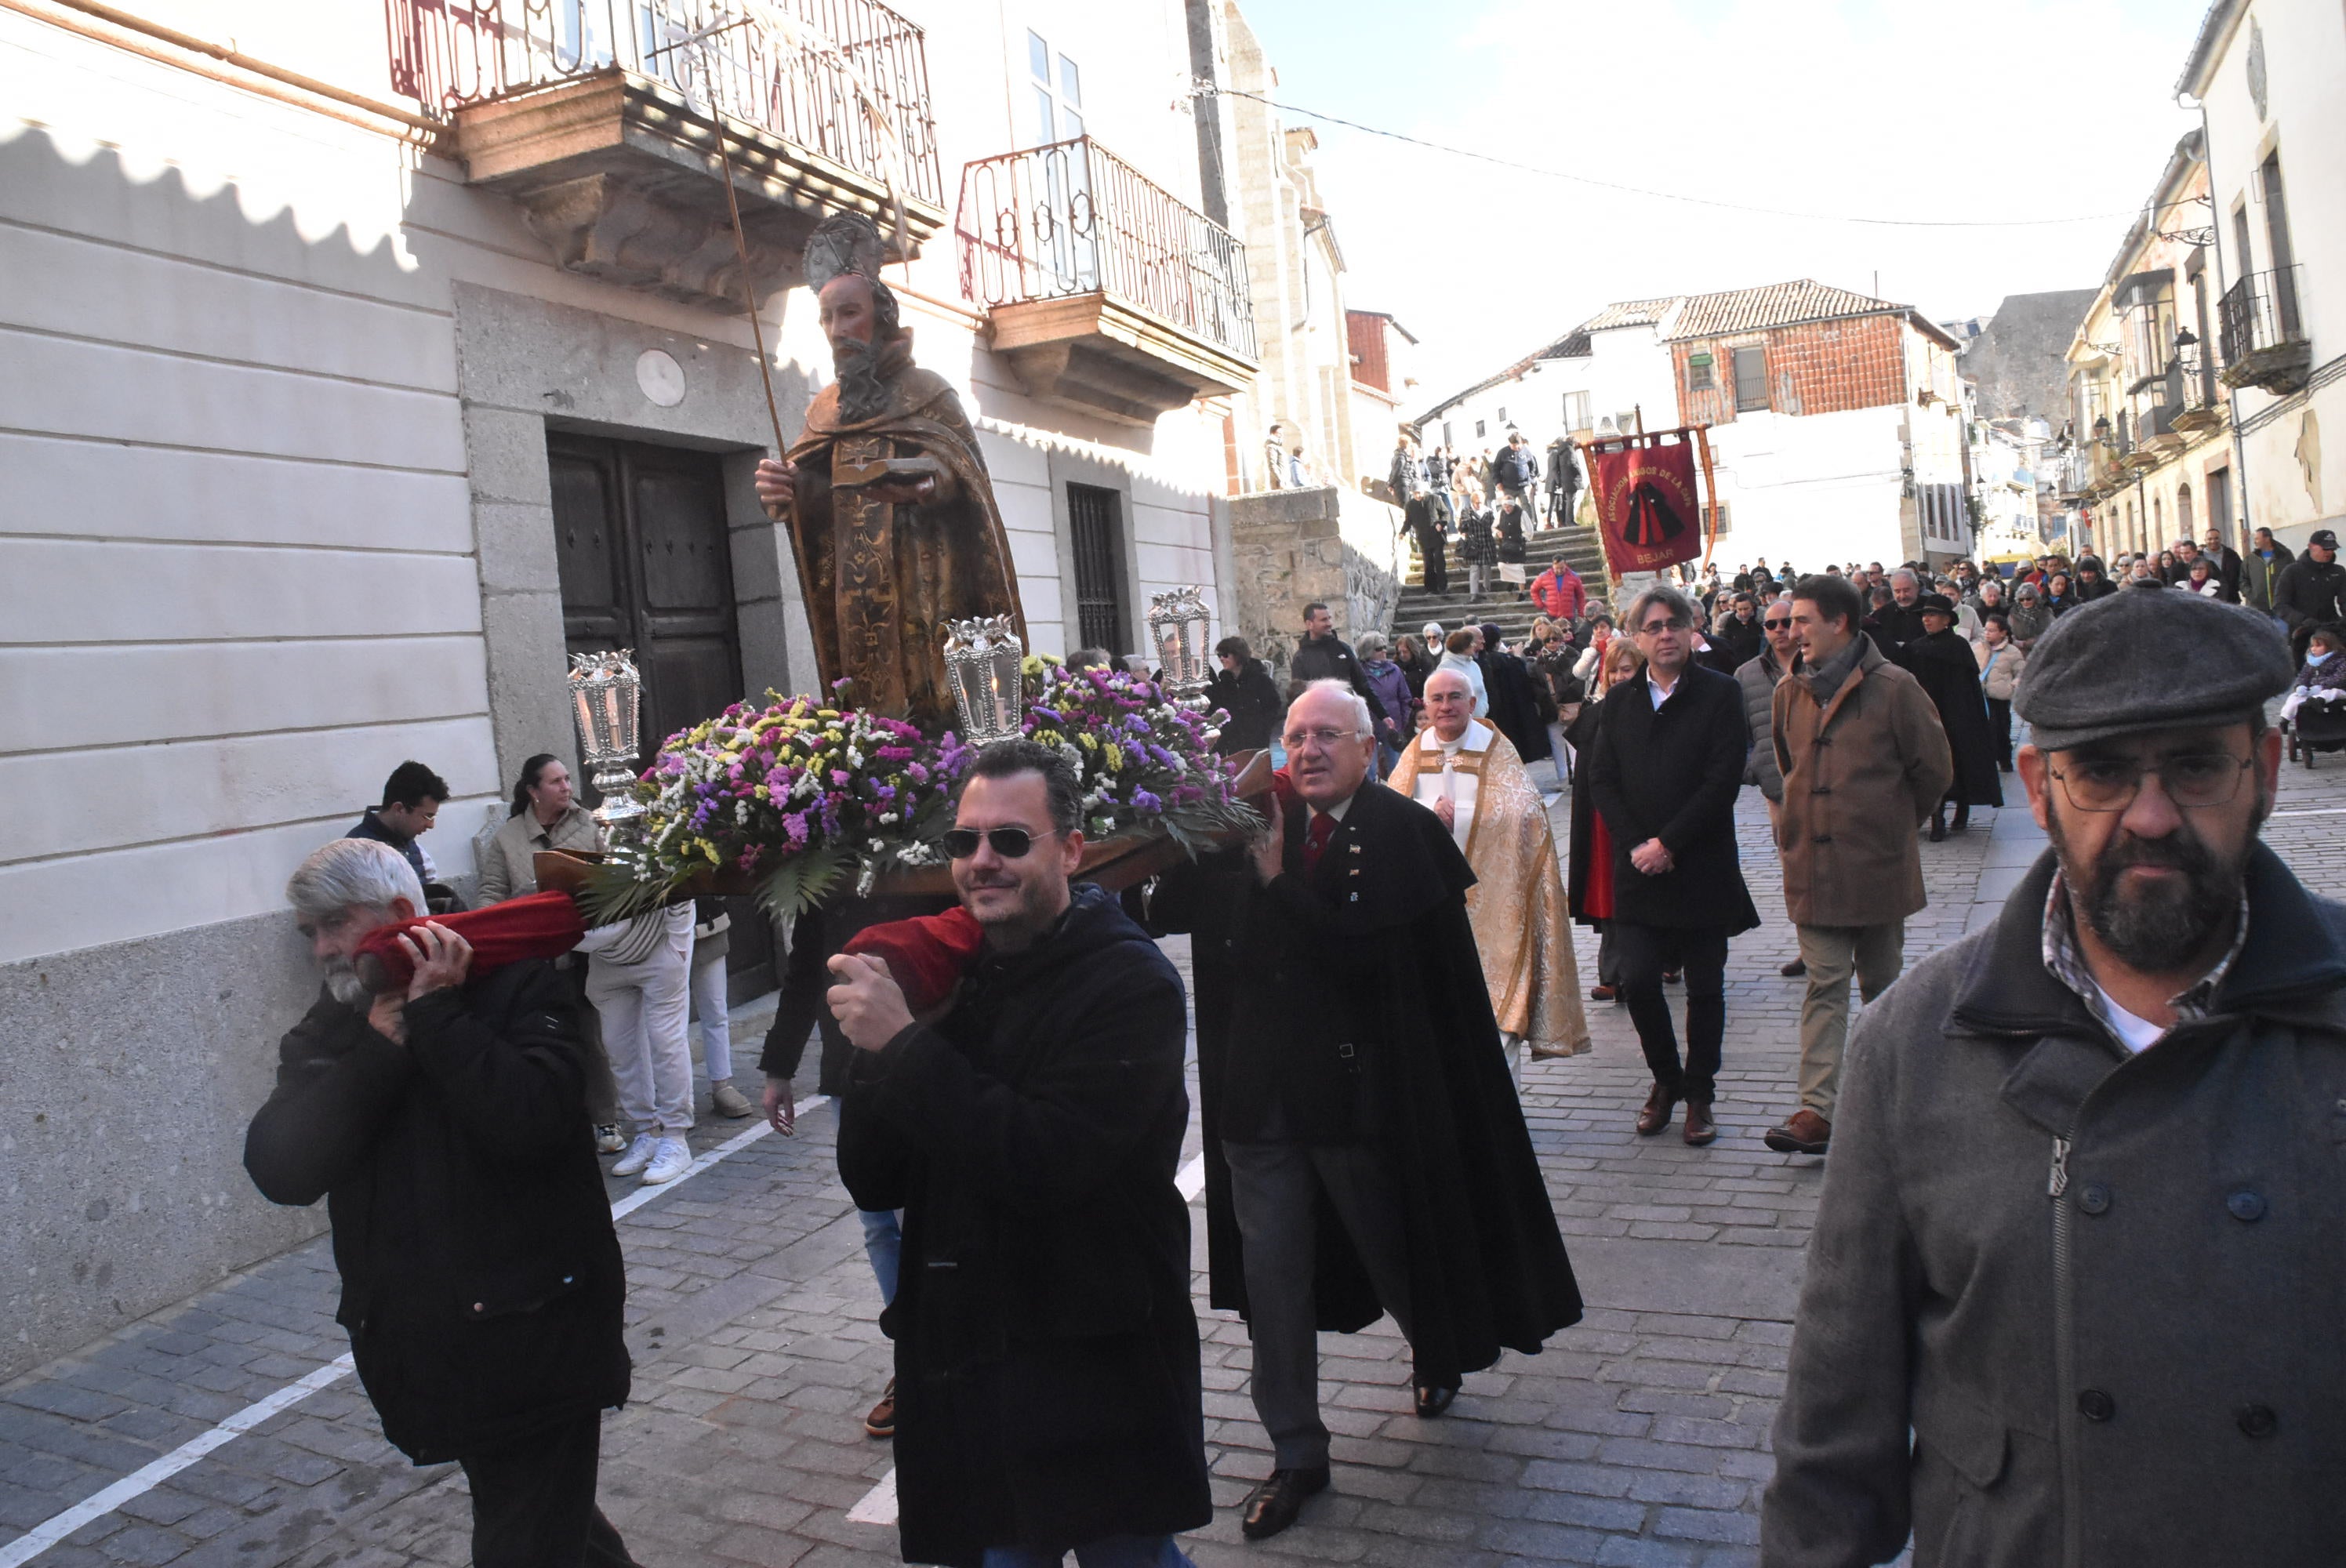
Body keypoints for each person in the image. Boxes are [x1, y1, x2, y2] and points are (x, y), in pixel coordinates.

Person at [1759, 586, 2340, 1566]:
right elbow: (1837, 1409)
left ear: (2265, 768)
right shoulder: (1917, 1039)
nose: (2151, 816)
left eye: (2196, 765)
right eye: (2103, 773)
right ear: (2037, 785)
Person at [1135, 682, 1581, 1541]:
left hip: (1360, 1101)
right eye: (1293, 736)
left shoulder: (1400, 831)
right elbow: (1162, 912)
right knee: (1273, 1282)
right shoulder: (1244, 831)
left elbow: (1366, 956)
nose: (1304, 751)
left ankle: (1436, 1344)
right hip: (1258, 1102)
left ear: (1367, 746)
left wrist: (1276, 887)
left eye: (1324, 736)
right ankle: (1296, 1451)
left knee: (1394, 1247)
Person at [832, 741, 1212, 1566]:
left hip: (1093, 1353)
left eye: (1010, 840)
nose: (981, 862)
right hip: (973, 1354)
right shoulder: (955, 969)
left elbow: (1043, 1158)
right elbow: (875, 1177)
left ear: (1071, 850)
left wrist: (901, 1046)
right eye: (964, 841)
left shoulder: (1129, 982)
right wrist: (878, 1054)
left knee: (1129, 1556)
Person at [245, 840, 634, 1568]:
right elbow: (282, 1168)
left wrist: (438, 1020)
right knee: (551, 1525)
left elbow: (534, 1121)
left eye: (334, 924)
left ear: (399, 914)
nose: (322, 947)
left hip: (535, 1344)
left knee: (526, 1540)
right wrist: (379, 1054)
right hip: (434, 1356)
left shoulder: (518, 983)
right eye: (309, 932)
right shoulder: (337, 1022)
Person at [753, 214, 1022, 726]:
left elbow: (966, 477)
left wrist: (928, 480)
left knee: (939, 710)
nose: (837, 332)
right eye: (827, 319)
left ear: (882, 319)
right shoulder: (825, 411)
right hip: (859, 611)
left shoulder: (929, 392)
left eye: (849, 314)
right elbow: (813, 495)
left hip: (929, 588)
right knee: (872, 715)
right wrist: (784, 493)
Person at [1763, 575, 1952, 1159]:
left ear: (1840, 623)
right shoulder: (1788, 693)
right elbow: (1787, 763)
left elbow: (1934, 771)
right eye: (1788, 623)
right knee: (1824, 982)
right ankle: (1816, 1111)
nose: (1791, 633)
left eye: (1802, 621)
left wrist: (1889, 826)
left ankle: (1892, 1099)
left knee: (1882, 987)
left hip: (1877, 869)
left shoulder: (1895, 688)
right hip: (1811, 870)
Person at [1585, 586, 1760, 1147]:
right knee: (1637, 980)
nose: (1665, 634)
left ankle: (1700, 1093)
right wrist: (1640, 843)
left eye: (1674, 624)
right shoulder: (1619, 702)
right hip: (1638, 868)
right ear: (1636, 638)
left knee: (1706, 988)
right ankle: (1665, 1079)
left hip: (1702, 864)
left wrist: (1671, 843)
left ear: (1692, 630)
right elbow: (1601, 780)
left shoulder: (1720, 694)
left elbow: (1722, 779)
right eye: (1654, 626)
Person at [1385, 667, 1592, 1083]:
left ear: (1472, 703)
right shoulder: (1415, 751)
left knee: (1498, 1015)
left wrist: (1459, 814)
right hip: (1430, 905)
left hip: (1495, 901)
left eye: (1455, 697)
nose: (1446, 706)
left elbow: (1526, 813)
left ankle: (1506, 1118)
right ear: (1424, 706)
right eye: (1437, 698)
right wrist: (1427, 815)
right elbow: (1388, 814)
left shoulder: (1494, 746)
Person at [477, 754, 626, 1152]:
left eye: (567, 779)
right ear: (533, 791)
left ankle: (606, 1121)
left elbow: (614, 876)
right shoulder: (507, 838)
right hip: (532, 961)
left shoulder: (590, 823)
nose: (567, 787)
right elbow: (490, 895)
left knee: (589, 1038)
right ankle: (556, 1122)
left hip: (585, 954)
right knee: (542, 1039)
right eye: (556, 781)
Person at [578, 898, 696, 1186]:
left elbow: (679, 884)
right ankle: (647, 1132)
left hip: (658, 948)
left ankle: (676, 1139)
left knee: (666, 1044)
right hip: (606, 959)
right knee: (619, 1049)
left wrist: (678, 945)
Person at [1735, 594, 1810, 980]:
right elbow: (1738, 733)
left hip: (1822, 782)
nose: (1780, 631)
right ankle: (1808, 946)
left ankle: (1834, 943)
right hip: (1776, 786)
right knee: (1792, 868)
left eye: (1787, 622)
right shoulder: (1747, 675)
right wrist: (1756, 769)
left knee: (1828, 865)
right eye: (1772, 624)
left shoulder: (1819, 664)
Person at [1567, 639, 1644, 1003]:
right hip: (1602, 822)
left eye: (1626, 669)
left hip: (1643, 819)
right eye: (1612, 670)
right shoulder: (1596, 715)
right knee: (1609, 896)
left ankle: (1659, 962)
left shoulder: (1653, 710)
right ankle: (1613, 974)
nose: (1617, 677)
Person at [1902, 593, 2004, 838]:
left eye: (1933, 614)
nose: (1927, 619)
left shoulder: (1958, 647)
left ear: (1947, 619)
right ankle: (1937, 818)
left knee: (1961, 760)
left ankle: (1962, 809)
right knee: (1931, 765)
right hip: (1929, 713)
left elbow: (1967, 688)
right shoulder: (1917, 648)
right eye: (1925, 615)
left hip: (1958, 715)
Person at [343, 760, 461, 912]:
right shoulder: (356, 853)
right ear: (399, 809)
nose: (431, 825)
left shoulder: (413, 847)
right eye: (427, 816)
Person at [688, 898, 753, 1119]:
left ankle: (722, 1084)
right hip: (657, 933)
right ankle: (677, 1100)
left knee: (715, 1010)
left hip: (705, 923)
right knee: (667, 1024)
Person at [1289, 602, 1391, 739]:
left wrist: (1383, 715)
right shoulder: (1301, 657)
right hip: (1320, 728)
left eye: (1329, 618)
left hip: (1348, 721)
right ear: (1309, 624)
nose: (1329, 623)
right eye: (1324, 620)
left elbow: (1362, 685)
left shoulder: (1343, 649)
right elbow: (1299, 698)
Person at [1476, 622, 1553, 771]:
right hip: (1512, 713)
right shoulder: (1507, 661)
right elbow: (1523, 682)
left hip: (1492, 713)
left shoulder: (1479, 662)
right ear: (1498, 642)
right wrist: (1518, 656)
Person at [2275, 528, 2346, 664]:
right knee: (2304, 675)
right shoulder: (2292, 572)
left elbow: (2344, 600)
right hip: (2302, 633)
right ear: (2311, 547)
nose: (2329, 552)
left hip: (2331, 632)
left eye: (2332, 549)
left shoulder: (2338, 572)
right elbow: (2280, 605)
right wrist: (2303, 620)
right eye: (2325, 549)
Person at [1205, 635, 1284, 756]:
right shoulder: (1223, 684)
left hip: (1257, 742)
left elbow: (1274, 707)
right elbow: (1215, 709)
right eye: (1219, 655)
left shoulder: (1260, 680)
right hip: (1232, 745)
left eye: (1225, 654)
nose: (1221, 658)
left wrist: (1262, 729)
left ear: (1237, 655)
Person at [1355, 630, 1416, 771]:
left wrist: (1403, 721)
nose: (1384, 651)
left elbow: (1405, 697)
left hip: (1392, 727)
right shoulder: (1358, 672)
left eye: (1384, 647)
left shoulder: (1394, 670)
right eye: (1379, 648)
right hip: (1368, 727)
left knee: (1396, 769)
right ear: (1368, 651)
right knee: (1369, 770)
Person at [1974, 611, 2025, 771]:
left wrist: (2013, 686)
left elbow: (2021, 672)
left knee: (2002, 731)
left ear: (2003, 632)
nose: (1987, 633)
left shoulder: (2012, 652)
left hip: (2000, 698)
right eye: (1986, 629)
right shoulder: (1978, 648)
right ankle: (1986, 761)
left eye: (1992, 630)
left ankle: (2005, 760)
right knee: (1983, 731)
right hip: (1981, 696)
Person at [2243, 524, 2294, 625]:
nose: (2255, 541)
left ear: (2267, 539)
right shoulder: (2250, 559)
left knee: (2283, 637)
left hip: (2282, 608)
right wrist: (2252, 595)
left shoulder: (2285, 556)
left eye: (2257, 539)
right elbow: (2243, 580)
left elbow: (2294, 576)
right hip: (2259, 609)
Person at [1434, 626, 1489, 717]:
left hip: (1479, 719)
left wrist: (1483, 708)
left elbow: (1482, 691)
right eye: (1471, 643)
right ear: (1463, 646)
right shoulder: (1446, 666)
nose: (1474, 645)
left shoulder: (1474, 665)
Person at [1491, 429, 1541, 524]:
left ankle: (1530, 524)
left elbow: (1533, 466)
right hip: (1508, 486)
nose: (1516, 447)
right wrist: (1497, 482)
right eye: (1513, 445)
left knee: (1527, 505)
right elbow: (1495, 468)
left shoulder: (1526, 451)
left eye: (1517, 445)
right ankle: (1511, 525)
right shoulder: (1503, 452)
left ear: (1521, 443)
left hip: (1524, 485)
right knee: (1509, 506)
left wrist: (1530, 479)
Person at [1457, 499, 1498, 598]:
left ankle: (1487, 590)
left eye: (1480, 502)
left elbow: (1493, 526)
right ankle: (1474, 594)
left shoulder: (1488, 511)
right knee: (1474, 569)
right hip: (1473, 543)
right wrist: (1464, 522)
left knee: (1486, 568)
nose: (1478, 504)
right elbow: (1462, 528)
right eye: (1476, 502)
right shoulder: (1466, 512)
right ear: (1472, 502)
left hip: (1486, 542)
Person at [1530, 555, 1586, 622]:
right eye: (1557, 568)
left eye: (1562, 568)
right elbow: (1534, 590)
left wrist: (1581, 613)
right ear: (1553, 566)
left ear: (1566, 565)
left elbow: (1581, 596)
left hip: (1569, 616)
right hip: (1551, 615)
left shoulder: (1575, 577)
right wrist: (1540, 604)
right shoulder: (1544, 576)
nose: (1559, 571)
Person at [2006, 579, 2052, 650]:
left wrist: (2034, 642)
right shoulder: (2013, 613)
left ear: (2035, 598)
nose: (2025, 602)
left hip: (2041, 650)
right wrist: (2016, 642)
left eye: (2028, 599)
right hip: (2019, 651)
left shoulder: (2045, 611)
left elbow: (2052, 632)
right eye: (2021, 599)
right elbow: (2008, 632)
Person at [2199, 528, 2243, 601]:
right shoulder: (2199, 556)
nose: (2213, 541)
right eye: (2210, 539)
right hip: (2206, 598)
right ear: (2205, 540)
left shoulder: (2231, 554)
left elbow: (2241, 573)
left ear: (2220, 539)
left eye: (2216, 538)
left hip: (2231, 598)